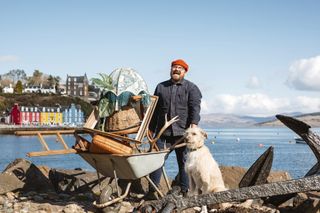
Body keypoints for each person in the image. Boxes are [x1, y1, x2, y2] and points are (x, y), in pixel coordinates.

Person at [147, 59, 202, 199]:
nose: (176, 70)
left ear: (184, 72)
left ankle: (185, 191)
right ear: (171, 70)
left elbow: (195, 108)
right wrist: (150, 128)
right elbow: (154, 110)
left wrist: (194, 124)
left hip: (183, 134)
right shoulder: (161, 87)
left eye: (179, 68)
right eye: (174, 67)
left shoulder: (192, 88)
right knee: (156, 161)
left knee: (184, 163)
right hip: (162, 133)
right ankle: (153, 191)